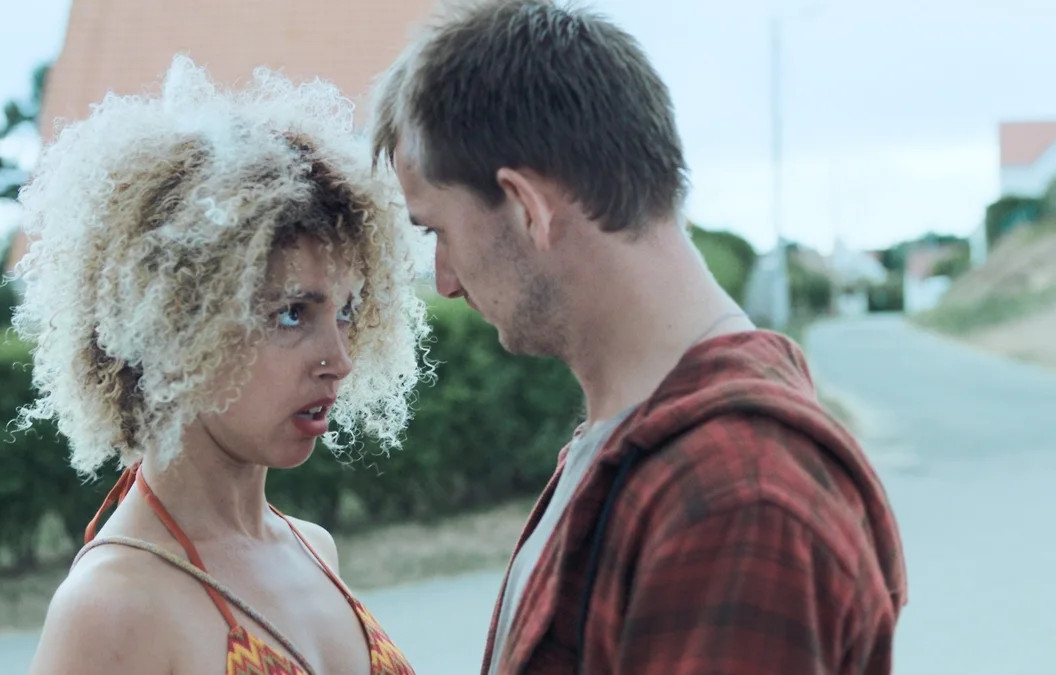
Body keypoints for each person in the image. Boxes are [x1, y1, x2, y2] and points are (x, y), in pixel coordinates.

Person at [371, 1, 907, 673]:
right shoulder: (631, 445)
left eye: (438, 232)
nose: (445, 280)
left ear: (528, 207)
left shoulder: (736, 495)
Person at [19, 56, 426, 675]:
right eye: (292, 313)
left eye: (346, 311)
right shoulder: (111, 606)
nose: (339, 359)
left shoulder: (314, 549)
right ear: (175, 324)